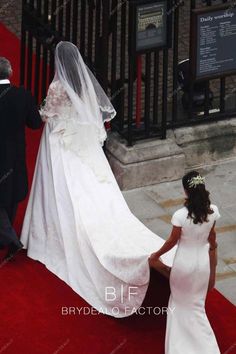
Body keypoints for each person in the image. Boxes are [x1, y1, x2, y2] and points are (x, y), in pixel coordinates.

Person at [21, 41, 176, 317]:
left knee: (63, 190)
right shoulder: (82, 83)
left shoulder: (57, 88)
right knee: (94, 189)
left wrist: (42, 109)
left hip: (61, 143)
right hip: (84, 145)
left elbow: (48, 115)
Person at [149, 171, 220, 354]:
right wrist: (213, 251)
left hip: (184, 264)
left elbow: (172, 241)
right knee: (197, 306)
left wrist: (156, 255)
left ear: (185, 191)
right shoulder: (213, 211)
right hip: (202, 263)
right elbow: (212, 237)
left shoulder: (180, 215)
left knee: (179, 304)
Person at [0, 57, 42, 260]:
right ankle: (6, 239)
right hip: (14, 154)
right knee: (11, 193)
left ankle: (10, 239)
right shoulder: (22, 95)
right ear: (10, 73)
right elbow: (35, 123)